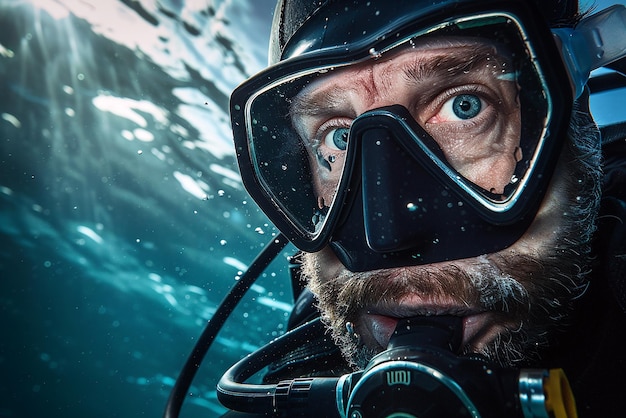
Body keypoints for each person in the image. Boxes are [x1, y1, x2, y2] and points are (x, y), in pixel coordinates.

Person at [223, 0, 626, 416]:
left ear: (579, 132)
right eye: (338, 139)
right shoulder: (309, 351)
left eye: (465, 106)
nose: (390, 237)